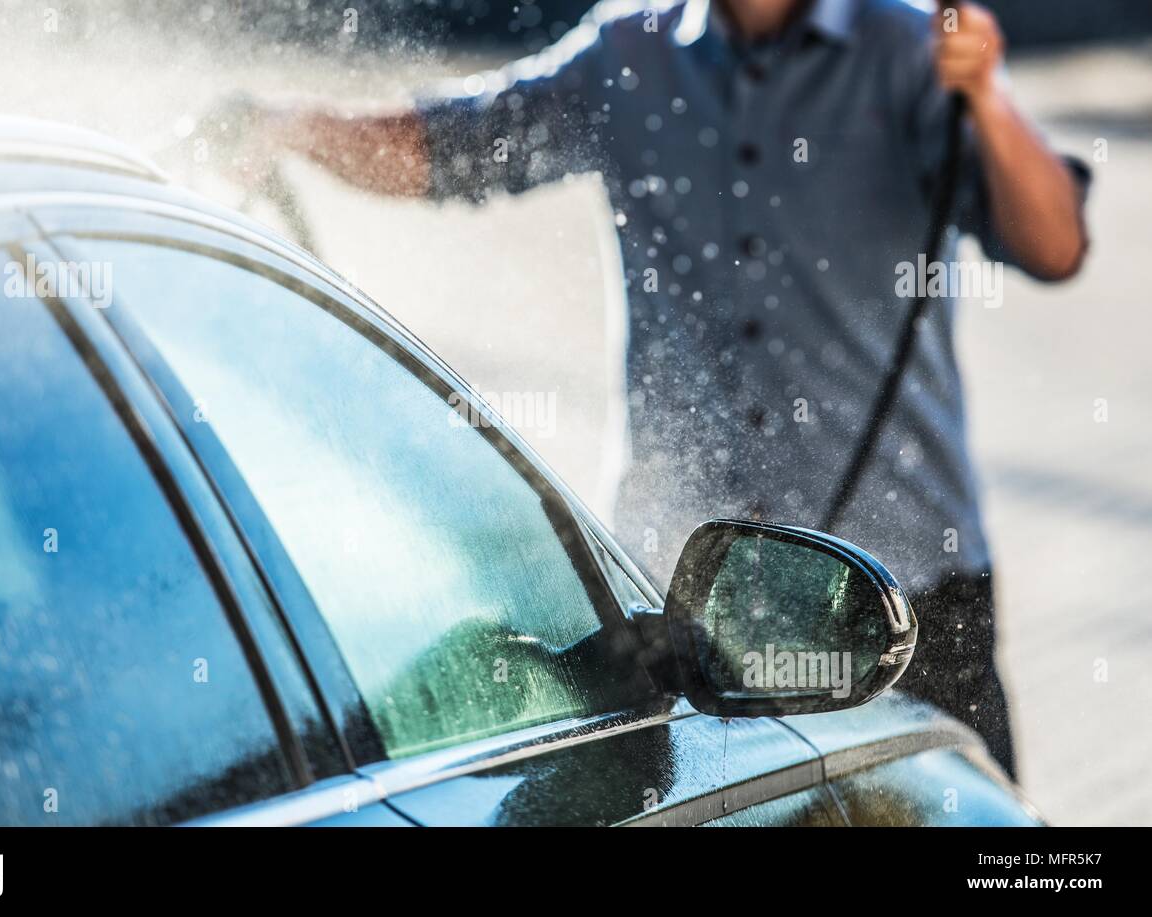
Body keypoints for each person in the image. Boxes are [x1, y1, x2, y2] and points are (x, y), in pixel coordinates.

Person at [226, 0, 1090, 778]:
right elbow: (447, 148)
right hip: (692, 617)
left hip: (902, 602)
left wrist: (989, 101)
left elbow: (1053, 243)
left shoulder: (909, 48)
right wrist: (290, 127)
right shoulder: (628, 56)